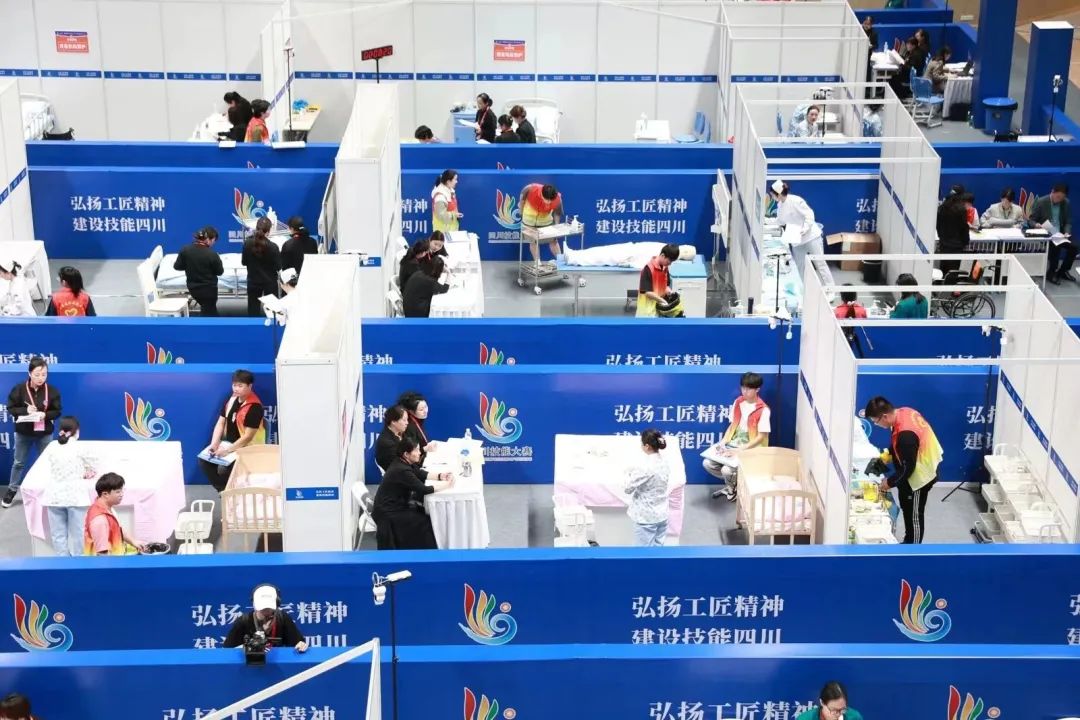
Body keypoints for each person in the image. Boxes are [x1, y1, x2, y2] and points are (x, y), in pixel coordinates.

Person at [864, 396, 942, 544]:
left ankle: (913, 549)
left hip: (920, 477)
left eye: (876, 421)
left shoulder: (906, 436)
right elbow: (899, 443)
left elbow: (908, 469)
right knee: (907, 506)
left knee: (914, 515)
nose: (876, 425)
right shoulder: (903, 412)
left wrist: (889, 482)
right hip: (914, 465)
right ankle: (908, 541)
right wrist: (887, 455)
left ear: (884, 416)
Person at [372, 436, 454, 549]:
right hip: (388, 513)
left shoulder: (402, 462)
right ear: (406, 454)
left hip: (395, 505)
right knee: (425, 522)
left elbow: (419, 473)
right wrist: (448, 485)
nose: (420, 453)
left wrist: (440, 476)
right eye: (416, 450)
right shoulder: (401, 470)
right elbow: (424, 489)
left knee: (423, 512)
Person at [4, 357, 62, 509]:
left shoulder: (52, 391)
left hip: (44, 433)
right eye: (37, 374)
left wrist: (45, 415)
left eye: (44, 374)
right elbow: (11, 408)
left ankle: (51, 491)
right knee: (18, 463)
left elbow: (57, 411)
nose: (40, 378)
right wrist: (25, 410)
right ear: (29, 373)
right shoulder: (19, 389)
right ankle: (11, 490)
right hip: (23, 433)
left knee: (48, 463)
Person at [706, 372, 770, 502]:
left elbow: (761, 437)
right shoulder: (738, 402)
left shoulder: (763, 410)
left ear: (757, 389)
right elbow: (732, 425)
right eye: (743, 388)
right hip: (732, 444)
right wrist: (723, 442)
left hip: (751, 449)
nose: (744, 391)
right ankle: (734, 486)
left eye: (749, 389)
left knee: (726, 470)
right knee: (708, 463)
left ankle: (733, 488)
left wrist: (741, 449)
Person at [199, 369, 267, 492]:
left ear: (250, 386)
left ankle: (230, 492)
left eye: (240, 386)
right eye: (234, 385)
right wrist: (215, 443)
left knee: (231, 470)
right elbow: (220, 422)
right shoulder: (232, 399)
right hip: (227, 444)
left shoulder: (255, 407)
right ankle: (224, 491)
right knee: (204, 461)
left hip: (245, 448)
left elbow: (247, 437)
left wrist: (227, 451)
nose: (236, 389)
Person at [43, 416, 96, 556]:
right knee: (79, 534)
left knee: (58, 535)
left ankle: (63, 564)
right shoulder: (80, 447)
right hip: (76, 497)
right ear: (76, 430)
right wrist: (86, 471)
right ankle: (79, 564)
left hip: (54, 497)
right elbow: (94, 464)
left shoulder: (52, 446)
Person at [223, 584, 308, 653]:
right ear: (255, 607)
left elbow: (298, 643)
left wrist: (301, 645)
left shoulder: (282, 618)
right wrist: (246, 648)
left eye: (270, 616)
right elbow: (226, 652)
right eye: (262, 614)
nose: (266, 623)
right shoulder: (243, 622)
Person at [624, 429, 670, 547]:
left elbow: (627, 488)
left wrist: (627, 473)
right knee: (658, 549)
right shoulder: (664, 462)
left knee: (642, 553)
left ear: (647, 446)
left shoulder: (645, 467)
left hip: (646, 517)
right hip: (662, 513)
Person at [771, 180, 824, 280]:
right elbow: (781, 220)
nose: (772, 197)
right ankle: (804, 287)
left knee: (820, 265)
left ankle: (830, 287)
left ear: (779, 194)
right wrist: (768, 221)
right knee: (800, 267)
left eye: (772, 195)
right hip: (796, 239)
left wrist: (805, 228)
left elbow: (809, 214)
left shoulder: (796, 200)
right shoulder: (780, 205)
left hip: (810, 237)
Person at [83, 472, 145, 555]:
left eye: (122, 491)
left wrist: (134, 542)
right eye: (118, 492)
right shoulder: (100, 520)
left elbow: (119, 530)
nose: (122, 494)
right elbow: (102, 554)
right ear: (105, 494)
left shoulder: (108, 508)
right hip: (107, 561)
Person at [1030, 183, 1075, 284]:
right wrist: (1036, 224)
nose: (1059, 200)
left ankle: (1062, 271)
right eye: (1058, 197)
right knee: (1055, 246)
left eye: (1062, 198)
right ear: (1052, 192)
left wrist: (1067, 232)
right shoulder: (1041, 202)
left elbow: (1068, 221)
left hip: (1061, 234)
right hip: (1047, 234)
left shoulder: (1066, 203)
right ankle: (1051, 273)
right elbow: (1031, 220)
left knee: (1075, 247)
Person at [174, 226, 224, 316]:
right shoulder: (212, 254)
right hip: (209, 290)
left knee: (209, 310)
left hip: (192, 288)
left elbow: (177, 266)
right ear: (210, 239)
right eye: (214, 241)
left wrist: (189, 265)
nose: (213, 243)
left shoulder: (185, 250)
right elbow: (220, 272)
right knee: (209, 313)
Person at [242, 216, 282, 317]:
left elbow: (244, 262)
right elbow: (278, 266)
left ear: (256, 228)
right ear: (269, 231)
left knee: (253, 311)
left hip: (253, 281)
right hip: (270, 283)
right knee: (272, 313)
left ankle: (252, 327)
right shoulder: (273, 247)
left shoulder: (247, 243)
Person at [519, 183, 564, 265]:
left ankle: (561, 262)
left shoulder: (557, 198)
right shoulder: (529, 189)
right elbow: (521, 201)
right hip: (529, 221)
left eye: (551, 200)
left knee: (553, 241)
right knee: (533, 242)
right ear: (541, 194)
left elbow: (557, 213)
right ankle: (538, 264)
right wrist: (521, 213)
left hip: (546, 222)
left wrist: (556, 226)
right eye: (547, 199)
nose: (549, 202)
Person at [636, 244, 680, 317]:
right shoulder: (648, 269)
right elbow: (647, 292)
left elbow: (665, 286)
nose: (670, 264)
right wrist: (662, 300)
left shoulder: (665, 268)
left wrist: (670, 292)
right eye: (669, 261)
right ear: (663, 255)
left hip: (659, 308)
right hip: (646, 311)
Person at [396, 390, 438, 464]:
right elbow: (409, 453)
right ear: (411, 411)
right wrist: (425, 449)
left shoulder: (418, 420)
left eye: (426, 407)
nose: (425, 411)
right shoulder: (408, 426)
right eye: (421, 409)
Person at [935, 192, 969, 277]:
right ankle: (951, 284)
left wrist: (941, 237)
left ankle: (942, 283)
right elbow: (964, 227)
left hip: (944, 244)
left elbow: (938, 226)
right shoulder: (961, 210)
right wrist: (965, 242)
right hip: (956, 245)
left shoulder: (941, 209)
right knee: (953, 270)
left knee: (943, 268)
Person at [795, 681, 864, 720]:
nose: (838, 715)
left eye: (842, 709)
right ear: (822, 703)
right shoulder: (804, 719)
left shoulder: (855, 717)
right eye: (834, 710)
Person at [835, 286, 868, 358]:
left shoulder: (836, 311)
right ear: (855, 296)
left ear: (842, 297)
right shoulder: (862, 310)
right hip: (859, 346)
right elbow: (865, 326)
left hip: (841, 345)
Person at [431, 169, 462, 234]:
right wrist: (454, 215)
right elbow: (440, 215)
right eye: (455, 179)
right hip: (442, 234)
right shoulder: (440, 196)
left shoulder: (450, 192)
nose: (457, 182)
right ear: (448, 181)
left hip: (450, 232)